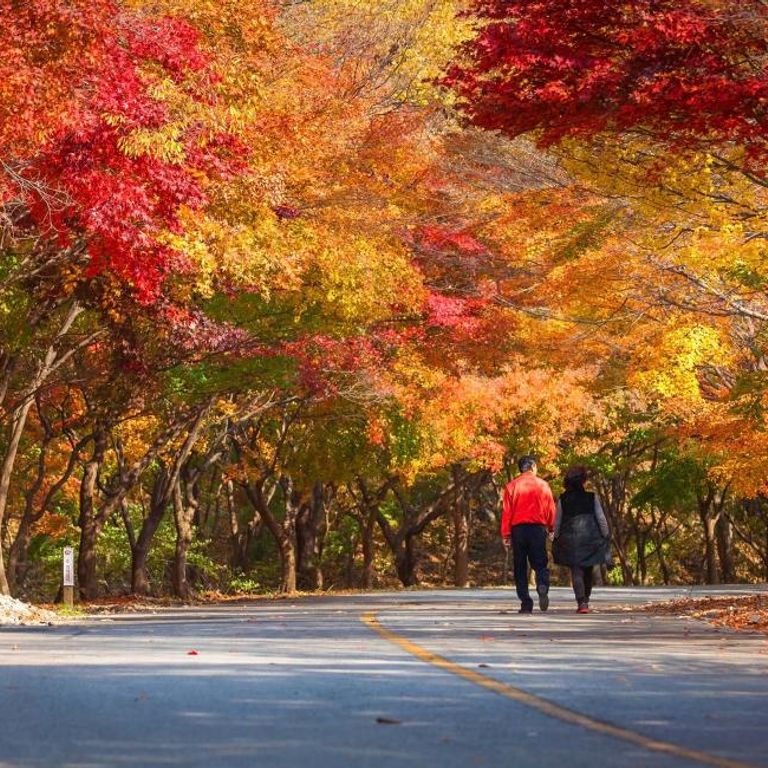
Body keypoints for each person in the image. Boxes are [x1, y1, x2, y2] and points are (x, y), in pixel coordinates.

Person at [501, 455, 556, 614]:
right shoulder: (544, 485)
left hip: (518, 530)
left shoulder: (511, 486)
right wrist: (552, 529)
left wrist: (506, 534)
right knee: (540, 563)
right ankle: (542, 584)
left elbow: (506, 512)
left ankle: (526, 602)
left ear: (521, 469)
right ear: (533, 467)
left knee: (520, 566)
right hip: (538, 528)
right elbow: (550, 509)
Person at [552, 465, 610, 614]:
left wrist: (556, 536)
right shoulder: (592, 497)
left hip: (570, 538)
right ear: (584, 481)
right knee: (588, 569)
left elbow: (557, 521)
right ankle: (586, 600)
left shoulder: (563, 499)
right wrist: (605, 534)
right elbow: (601, 519)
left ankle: (581, 602)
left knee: (576, 569)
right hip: (590, 538)